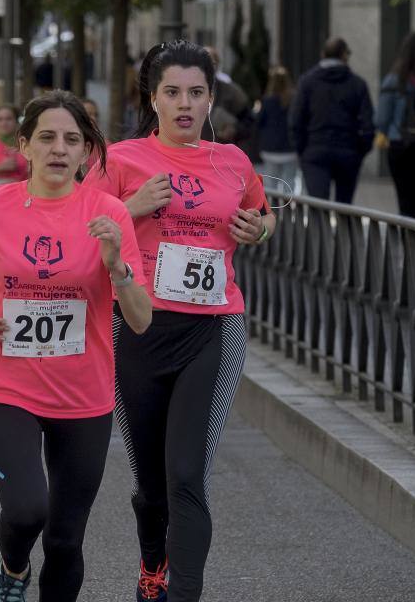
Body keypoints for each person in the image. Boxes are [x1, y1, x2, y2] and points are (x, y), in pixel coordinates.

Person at [0, 90, 151, 602]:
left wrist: (118, 264)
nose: (59, 149)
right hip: (6, 385)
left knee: (67, 541)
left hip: (84, 395)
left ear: (87, 152)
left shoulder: (109, 213)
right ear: (23, 145)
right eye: (46, 137)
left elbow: (139, 319)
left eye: (73, 139)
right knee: (27, 510)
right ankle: (13, 568)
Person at [84, 40, 276, 602]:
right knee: (151, 486)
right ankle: (152, 566)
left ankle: (183, 592)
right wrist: (131, 207)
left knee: (188, 474)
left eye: (196, 93)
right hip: (138, 325)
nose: (185, 104)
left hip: (214, 328)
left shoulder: (233, 161)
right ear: (154, 99)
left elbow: (264, 218)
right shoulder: (120, 160)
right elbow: (82, 227)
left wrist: (258, 230)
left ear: (211, 99)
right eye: (173, 93)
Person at [289, 37, 374, 204]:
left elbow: (295, 120)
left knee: (319, 208)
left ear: (323, 54)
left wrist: (302, 150)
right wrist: (360, 150)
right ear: (345, 56)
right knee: (345, 208)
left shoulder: (307, 82)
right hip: (348, 151)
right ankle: (343, 230)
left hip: (315, 150)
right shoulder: (357, 84)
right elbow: (368, 123)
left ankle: (320, 232)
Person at [375, 30, 415, 220]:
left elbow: (381, 119)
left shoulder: (394, 80)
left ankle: (410, 247)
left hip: (402, 147)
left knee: (407, 205)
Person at [257, 66, 298, 196]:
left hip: (270, 148)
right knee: (290, 182)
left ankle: (272, 212)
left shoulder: (267, 101)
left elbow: (259, 122)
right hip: (290, 148)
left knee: (270, 183)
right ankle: (289, 212)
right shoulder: (294, 100)